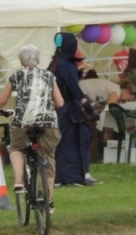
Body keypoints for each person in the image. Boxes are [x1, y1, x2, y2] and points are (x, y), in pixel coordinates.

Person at [0, 44, 63, 210]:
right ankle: (49, 200)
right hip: (48, 122)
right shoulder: (49, 76)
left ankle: (19, 181)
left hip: (23, 120)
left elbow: (1, 100)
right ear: (38, 59)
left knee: (16, 147)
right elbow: (59, 102)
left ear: (21, 60)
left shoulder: (16, 76)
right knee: (48, 156)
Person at [49, 32, 99, 187]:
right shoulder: (66, 65)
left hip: (60, 109)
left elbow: (64, 82)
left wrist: (77, 73)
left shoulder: (56, 63)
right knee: (75, 140)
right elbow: (73, 89)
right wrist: (89, 108)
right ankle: (71, 176)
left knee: (66, 141)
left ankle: (66, 175)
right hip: (68, 110)